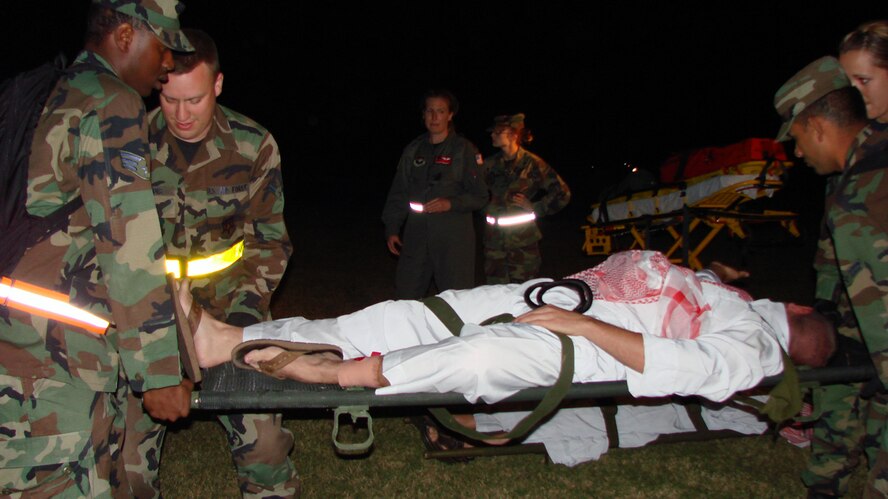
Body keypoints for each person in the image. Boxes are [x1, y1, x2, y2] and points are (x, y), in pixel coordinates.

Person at [186, 250, 835, 407]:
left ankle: (346, 371)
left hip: (581, 344)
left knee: (480, 355)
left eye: (812, 354)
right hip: (540, 298)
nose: (802, 346)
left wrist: (582, 326)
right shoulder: (728, 290)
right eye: (811, 334)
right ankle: (225, 339)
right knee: (393, 316)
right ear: (800, 308)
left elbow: (690, 369)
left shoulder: (758, 346)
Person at [0, 1, 193, 496]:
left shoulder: (45, 91)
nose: (168, 63)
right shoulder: (110, 102)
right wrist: (160, 374)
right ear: (126, 36)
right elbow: (129, 246)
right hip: (52, 368)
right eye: (164, 46)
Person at [143, 29, 298, 497]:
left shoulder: (254, 145)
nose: (181, 115)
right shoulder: (126, 144)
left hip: (232, 306)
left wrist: (244, 323)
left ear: (218, 85)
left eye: (193, 99)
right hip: (148, 315)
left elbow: (270, 243)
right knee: (121, 459)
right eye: (169, 100)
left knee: (265, 446)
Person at [773, 54, 888, 497]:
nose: (798, 153)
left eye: (798, 138)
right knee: (841, 402)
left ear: (819, 126)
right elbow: (832, 260)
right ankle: (825, 483)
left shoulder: (865, 188)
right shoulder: (849, 178)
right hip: (853, 322)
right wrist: (826, 310)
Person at [381, 90, 488, 299]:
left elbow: (481, 196)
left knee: (455, 300)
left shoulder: (464, 150)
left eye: (440, 111)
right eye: (430, 111)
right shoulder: (413, 150)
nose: (434, 117)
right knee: (406, 298)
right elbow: (399, 192)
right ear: (423, 115)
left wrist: (451, 203)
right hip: (416, 236)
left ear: (450, 115)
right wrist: (392, 228)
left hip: (453, 239)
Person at [482, 114, 570, 284]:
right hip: (494, 245)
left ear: (514, 134)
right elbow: (474, 192)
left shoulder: (532, 164)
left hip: (522, 244)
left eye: (498, 132)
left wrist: (536, 207)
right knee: (496, 295)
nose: (493, 135)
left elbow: (562, 192)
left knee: (523, 294)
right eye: (493, 131)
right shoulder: (489, 165)